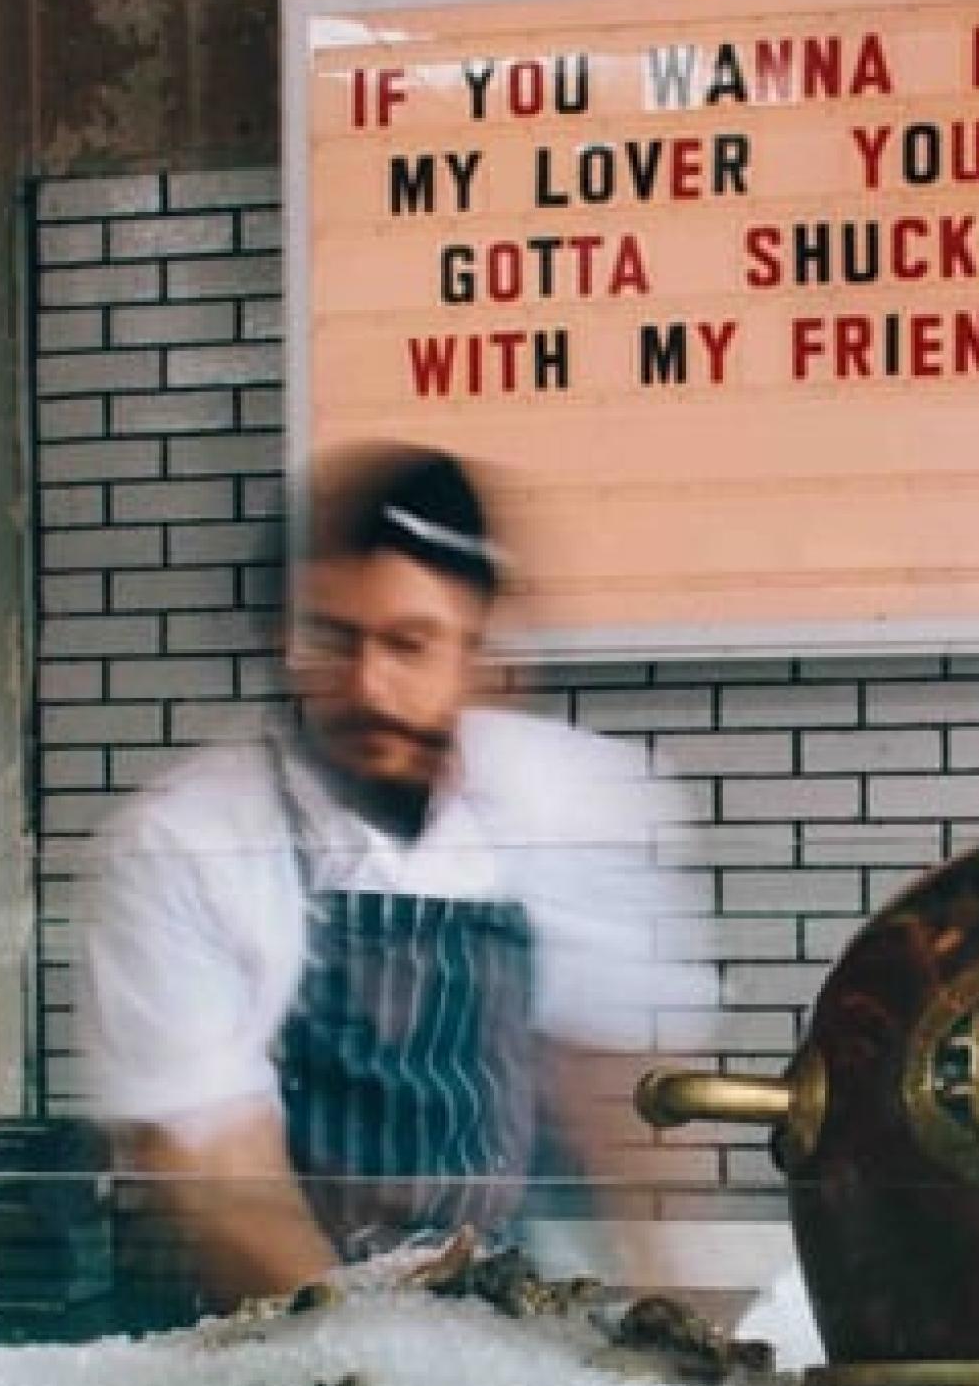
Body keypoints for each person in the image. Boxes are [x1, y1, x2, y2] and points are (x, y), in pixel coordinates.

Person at [73, 444, 701, 1311]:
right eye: (331, 640)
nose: (367, 685)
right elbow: (219, 1176)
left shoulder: (568, 803)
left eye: (409, 644)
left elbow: (616, 1100)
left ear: (482, 653)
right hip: (252, 1344)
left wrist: (668, 1312)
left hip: (498, 1331)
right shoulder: (181, 843)